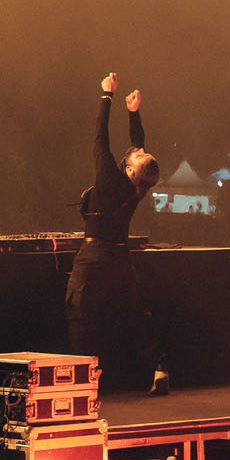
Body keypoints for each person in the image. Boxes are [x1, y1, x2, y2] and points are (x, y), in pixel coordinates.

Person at [67, 72, 168, 395]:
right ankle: (158, 368)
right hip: (120, 257)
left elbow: (99, 138)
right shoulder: (138, 186)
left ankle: (81, 380)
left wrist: (106, 97)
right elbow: (140, 145)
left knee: (79, 312)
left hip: (95, 258)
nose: (135, 150)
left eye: (136, 156)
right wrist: (134, 112)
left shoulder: (110, 177)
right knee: (136, 313)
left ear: (129, 169)